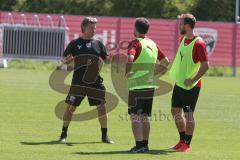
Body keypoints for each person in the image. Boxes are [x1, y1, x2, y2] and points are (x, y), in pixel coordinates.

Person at [58, 17, 114, 144]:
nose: (94, 30)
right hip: (78, 82)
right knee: (71, 108)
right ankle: (63, 135)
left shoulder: (98, 44)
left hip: (95, 82)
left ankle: (104, 136)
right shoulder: (74, 44)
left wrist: (108, 60)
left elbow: (105, 60)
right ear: (83, 28)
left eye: (95, 28)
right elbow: (65, 61)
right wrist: (68, 63)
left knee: (102, 108)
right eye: (91, 27)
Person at [126, 17, 169, 153]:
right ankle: (145, 145)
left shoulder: (135, 43)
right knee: (145, 116)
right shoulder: (152, 43)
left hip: (136, 86)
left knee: (135, 116)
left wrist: (127, 73)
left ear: (136, 29)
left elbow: (130, 58)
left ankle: (138, 146)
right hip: (149, 86)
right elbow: (166, 61)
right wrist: (156, 75)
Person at [169, 13, 209, 152]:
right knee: (175, 111)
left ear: (187, 25)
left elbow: (205, 66)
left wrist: (192, 79)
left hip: (191, 86)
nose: (179, 26)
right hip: (180, 83)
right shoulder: (183, 39)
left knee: (189, 114)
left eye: (180, 23)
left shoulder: (199, 44)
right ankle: (181, 140)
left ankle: (187, 144)